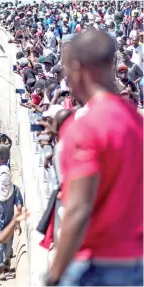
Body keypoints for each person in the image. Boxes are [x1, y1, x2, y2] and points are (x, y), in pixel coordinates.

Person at [47, 29, 143, 286]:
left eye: (66, 69)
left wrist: (54, 274)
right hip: (135, 264)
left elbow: (78, 210)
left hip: (93, 268)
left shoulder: (84, 127)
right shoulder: (136, 121)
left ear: (77, 67)